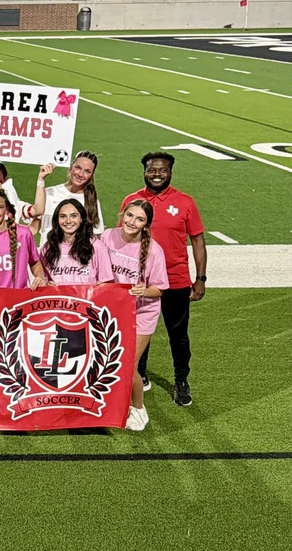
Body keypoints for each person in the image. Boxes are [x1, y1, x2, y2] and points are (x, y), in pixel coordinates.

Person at [120, 152, 206, 407]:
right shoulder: (132, 201)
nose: (156, 174)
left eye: (162, 170)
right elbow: (121, 239)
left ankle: (181, 381)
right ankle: (139, 375)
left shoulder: (185, 202)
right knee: (138, 332)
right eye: (151, 169)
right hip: (141, 284)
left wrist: (200, 278)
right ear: (144, 171)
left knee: (178, 335)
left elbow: (198, 240)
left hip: (176, 281)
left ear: (170, 172)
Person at [102, 200, 169, 431]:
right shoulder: (107, 236)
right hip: (112, 310)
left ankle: (139, 409)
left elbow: (159, 288)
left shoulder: (153, 250)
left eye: (139, 219)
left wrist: (143, 290)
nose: (132, 222)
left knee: (128, 365)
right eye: (129, 215)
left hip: (141, 314)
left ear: (146, 224)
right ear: (122, 214)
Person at [0, 189, 47, 290]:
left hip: (20, 299)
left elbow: (35, 262)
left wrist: (40, 276)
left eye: (0, 207)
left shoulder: (23, 233)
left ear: (6, 210)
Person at [30, 150, 104, 244]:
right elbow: (34, 227)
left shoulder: (92, 201)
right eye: (78, 168)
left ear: (92, 175)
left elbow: (96, 237)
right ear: (71, 166)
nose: (80, 174)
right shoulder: (49, 193)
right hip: (48, 255)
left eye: (87, 171)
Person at [40, 199, 114, 285]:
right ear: (57, 220)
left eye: (73, 216)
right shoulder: (48, 247)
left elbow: (106, 282)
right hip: (59, 298)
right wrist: (47, 284)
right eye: (63, 216)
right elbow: (43, 280)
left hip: (86, 298)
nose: (68, 221)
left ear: (81, 219)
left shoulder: (96, 246)